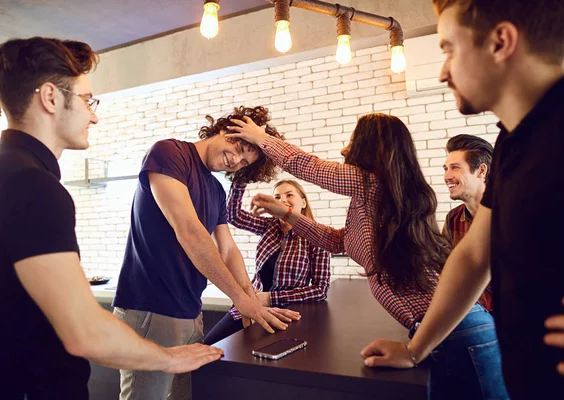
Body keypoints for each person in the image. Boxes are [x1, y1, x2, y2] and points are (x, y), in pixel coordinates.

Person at [0, 37, 223, 400]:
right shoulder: (34, 186)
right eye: (87, 100)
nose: (94, 114)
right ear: (51, 98)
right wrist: (167, 357)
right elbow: (83, 331)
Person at [360, 0, 564, 398]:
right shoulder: (512, 142)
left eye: (450, 49)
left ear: (501, 42)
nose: (442, 73)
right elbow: (473, 255)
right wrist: (416, 349)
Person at [227, 112, 509, 399]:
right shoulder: (372, 199)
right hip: (443, 330)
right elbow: (338, 241)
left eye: (351, 142)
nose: (343, 150)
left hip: (459, 331)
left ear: (373, 149)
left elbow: (307, 166)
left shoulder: (372, 184)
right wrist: (285, 213)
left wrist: (262, 139)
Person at [112, 106, 300, 400]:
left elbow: (227, 249)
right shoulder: (169, 154)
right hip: (150, 310)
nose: (235, 161)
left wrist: (251, 298)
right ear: (224, 128)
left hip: (190, 314)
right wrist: (240, 300)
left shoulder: (216, 189)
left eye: (244, 162)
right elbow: (190, 232)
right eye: (237, 148)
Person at [204, 179, 331, 345]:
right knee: (210, 345)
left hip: (287, 312)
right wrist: (241, 180)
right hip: (251, 304)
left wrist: (271, 298)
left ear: (304, 202)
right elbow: (232, 215)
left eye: (289, 195)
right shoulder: (268, 226)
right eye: (277, 197)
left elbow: (320, 289)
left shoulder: (316, 236)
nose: (282, 200)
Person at [442, 134, 493, 311]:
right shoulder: (453, 219)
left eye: (455, 168)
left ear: (481, 171)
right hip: (473, 314)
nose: (447, 176)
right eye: (446, 168)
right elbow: (446, 272)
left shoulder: (512, 215)